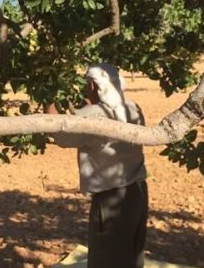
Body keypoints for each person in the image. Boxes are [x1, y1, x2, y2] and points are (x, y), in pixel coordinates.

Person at [53, 63, 148, 268]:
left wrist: (47, 99)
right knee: (130, 253)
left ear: (93, 86)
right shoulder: (133, 108)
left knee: (106, 258)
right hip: (137, 192)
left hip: (111, 198)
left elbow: (59, 135)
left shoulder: (91, 115)